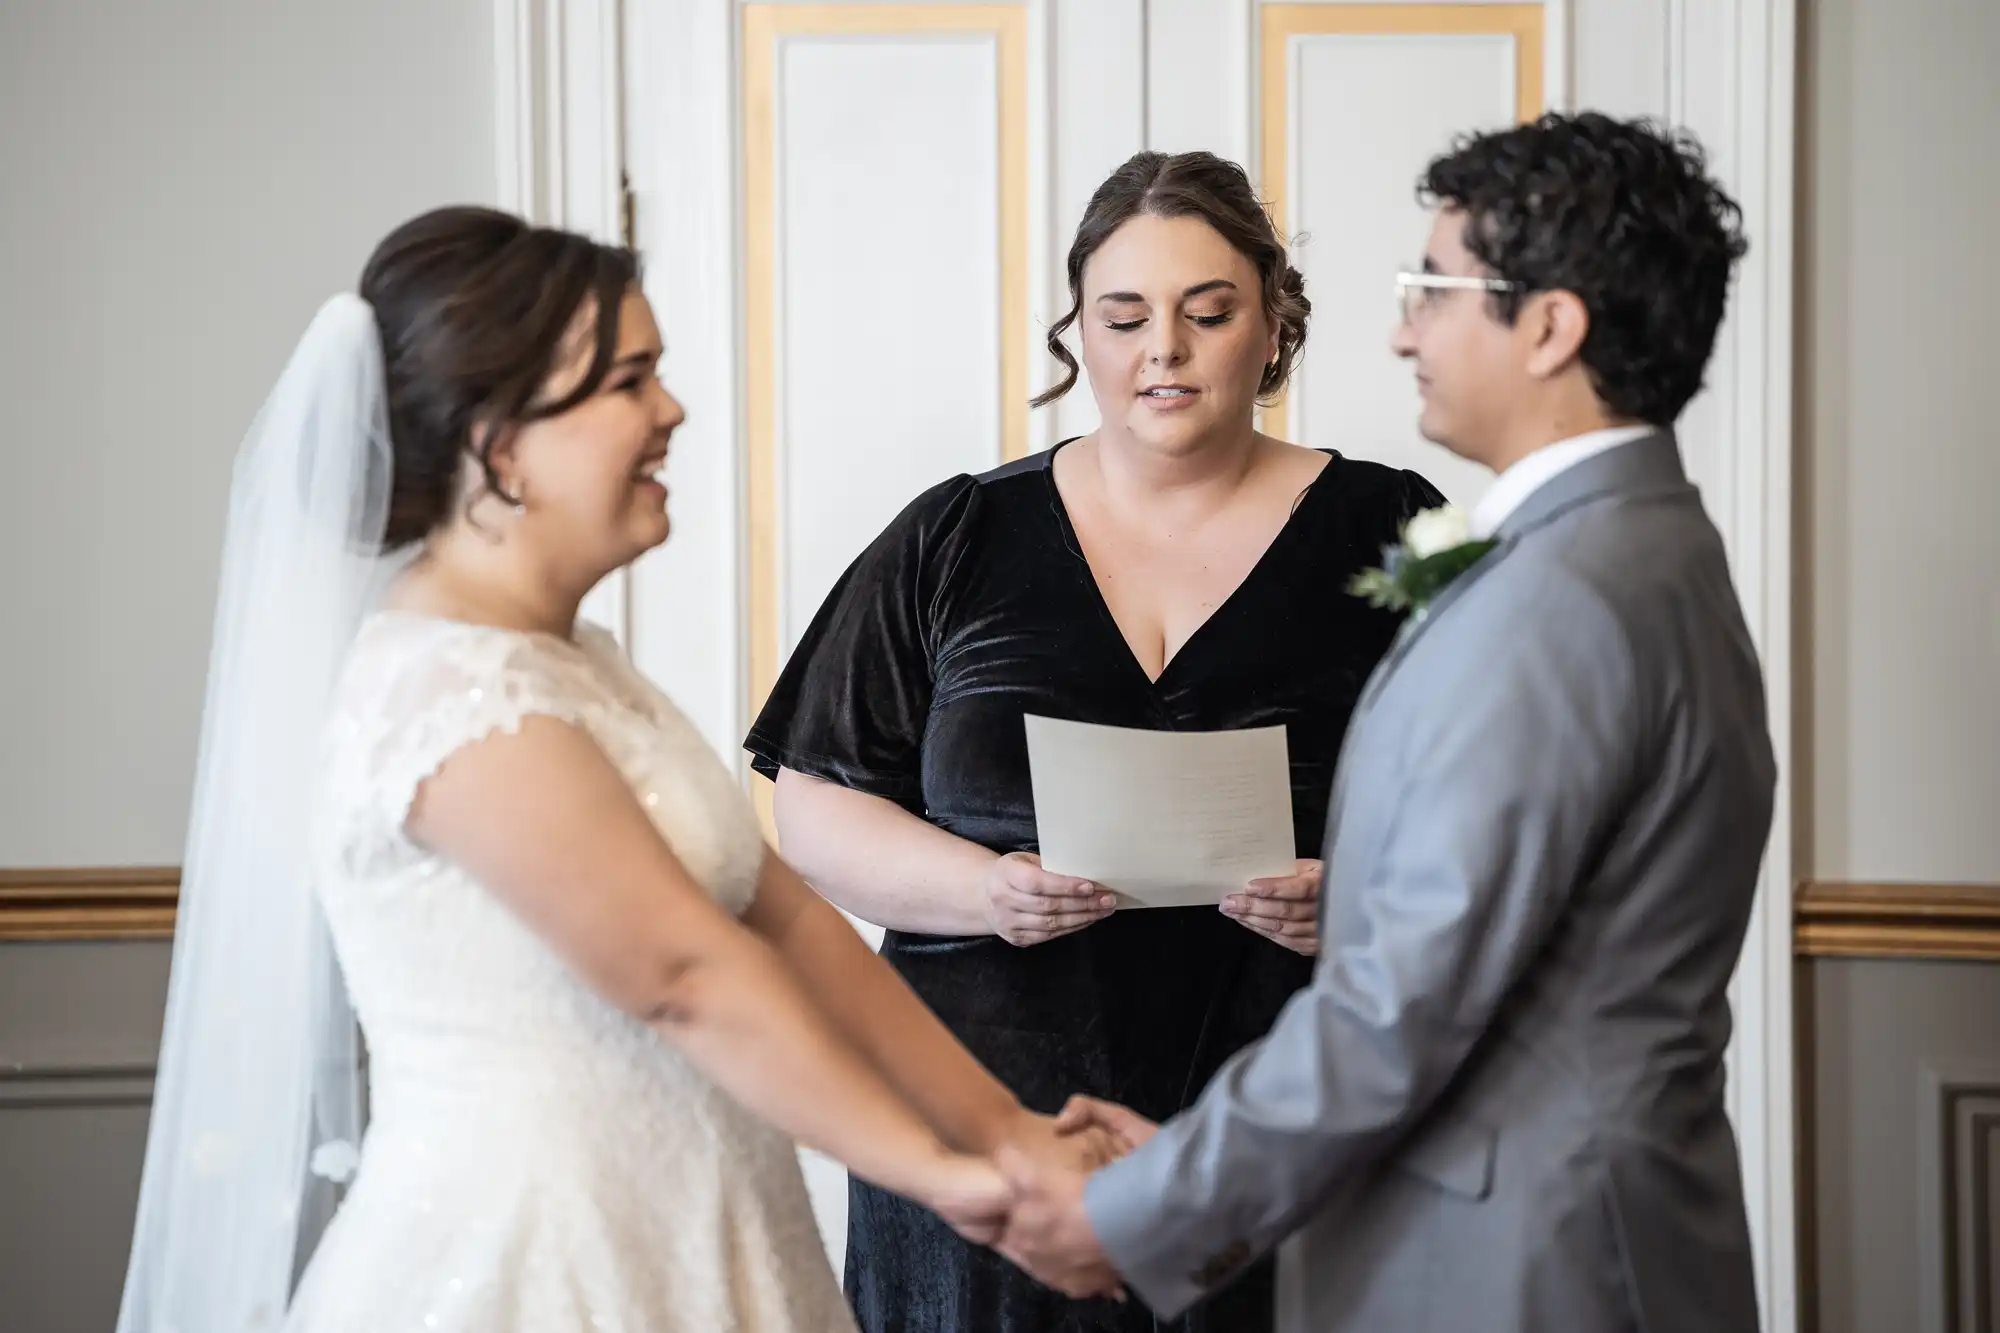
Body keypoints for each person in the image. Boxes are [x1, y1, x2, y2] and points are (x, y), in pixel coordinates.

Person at [115, 206, 1112, 1333]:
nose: (671, 410)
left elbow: (782, 921)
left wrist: (999, 1127)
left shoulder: (578, 663)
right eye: (628, 380)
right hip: (537, 1259)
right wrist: (957, 1188)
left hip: (710, 1229)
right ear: (501, 442)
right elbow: (681, 974)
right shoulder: (444, 693)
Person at [997, 112, 1775, 1333]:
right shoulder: (1641, 548)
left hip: (1521, 1257)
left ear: (1550, 327)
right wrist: (1195, 1154)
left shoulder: (1555, 601)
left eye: (1432, 288)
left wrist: (1135, 1208)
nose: (1401, 329)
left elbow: (1397, 1011)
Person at [745, 150, 1442, 1332]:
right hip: (980, 1130)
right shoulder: (955, 531)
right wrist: (986, 888)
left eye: (1205, 312)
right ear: (1082, 333)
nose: (1160, 349)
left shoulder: (1399, 533)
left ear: (1272, 326)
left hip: (1279, 1124)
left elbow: (1502, 805)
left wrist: (1366, 893)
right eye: (1122, 317)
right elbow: (811, 802)